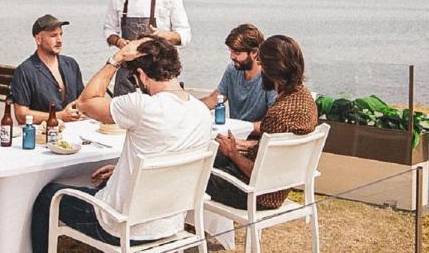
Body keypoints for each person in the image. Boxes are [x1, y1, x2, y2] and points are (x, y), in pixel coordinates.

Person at [30, 37, 211, 252]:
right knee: (100, 186)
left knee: (47, 196)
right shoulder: (201, 111)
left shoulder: (142, 106)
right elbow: (170, 157)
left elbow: (85, 103)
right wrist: (124, 170)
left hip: (122, 227)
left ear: (142, 76)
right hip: (170, 224)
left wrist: (116, 58)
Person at [206, 35, 318, 211]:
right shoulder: (305, 99)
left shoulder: (278, 114)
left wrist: (233, 152)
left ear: (271, 69)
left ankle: (185, 230)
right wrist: (244, 146)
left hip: (257, 193)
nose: (259, 68)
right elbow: (277, 153)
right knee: (216, 154)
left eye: (261, 63)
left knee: (193, 174)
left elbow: (260, 173)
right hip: (280, 185)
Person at [103, 0, 191, 95]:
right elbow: (108, 30)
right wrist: (118, 41)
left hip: (160, 74)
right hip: (126, 71)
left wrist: (164, 35)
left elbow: (185, 35)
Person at [200, 24, 276, 137]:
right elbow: (215, 99)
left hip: (255, 140)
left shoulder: (270, 77)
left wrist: (243, 128)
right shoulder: (233, 69)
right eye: (231, 51)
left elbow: (274, 123)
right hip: (234, 135)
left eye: (237, 52)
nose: (232, 56)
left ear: (254, 52)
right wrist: (189, 106)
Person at [12, 14, 85, 124]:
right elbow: (21, 115)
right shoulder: (24, 71)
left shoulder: (71, 64)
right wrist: (59, 116)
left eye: (61, 34)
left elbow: (83, 101)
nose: (59, 40)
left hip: (74, 130)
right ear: (39, 39)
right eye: (53, 36)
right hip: (42, 134)